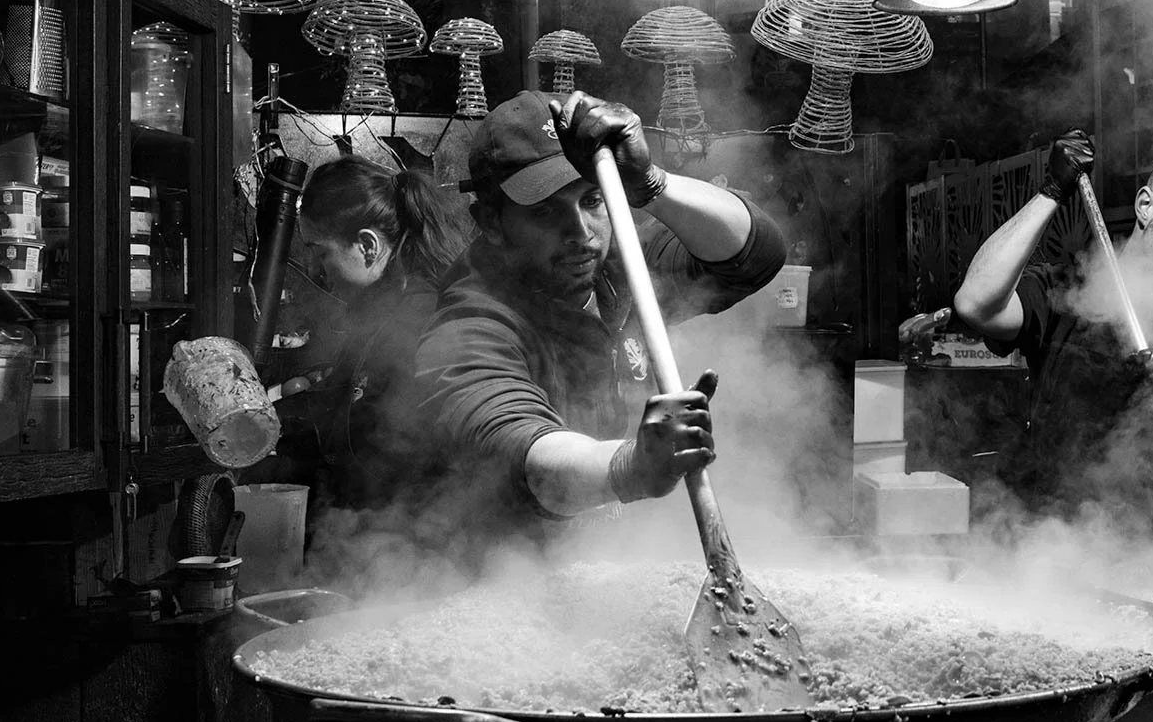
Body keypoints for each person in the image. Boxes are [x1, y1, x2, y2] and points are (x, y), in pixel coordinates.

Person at [416, 89, 785, 532]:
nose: (581, 232)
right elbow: (517, 446)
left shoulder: (620, 263)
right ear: (491, 222)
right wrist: (630, 466)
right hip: (519, 577)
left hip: (622, 553)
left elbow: (755, 255)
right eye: (545, 212)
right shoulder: (470, 326)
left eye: (592, 201)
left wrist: (651, 183)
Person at [948, 130, 1153, 560]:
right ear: (1146, 207)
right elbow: (975, 303)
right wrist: (1052, 192)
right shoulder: (1071, 290)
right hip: (1052, 549)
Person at [282, 156, 472, 517]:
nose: (314, 271)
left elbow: (399, 457)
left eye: (320, 253)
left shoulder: (420, 320)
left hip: (418, 543)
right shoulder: (386, 310)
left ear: (368, 246)